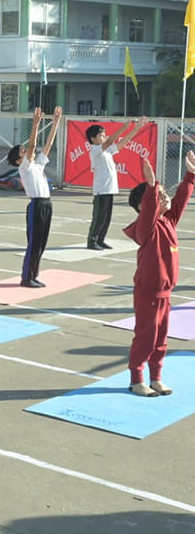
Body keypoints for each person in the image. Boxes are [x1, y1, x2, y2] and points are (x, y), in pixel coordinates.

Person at [123, 153, 195, 397]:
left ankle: (156, 377)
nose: (165, 196)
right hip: (148, 293)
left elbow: (182, 200)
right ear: (145, 204)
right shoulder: (146, 229)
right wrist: (152, 186)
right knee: (146, 336)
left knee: (161, 338)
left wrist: (190, 175)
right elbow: (151, 208)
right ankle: (136, 380)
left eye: (164, 192)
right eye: (160, 194)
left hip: (166, 294)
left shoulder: (169, 222)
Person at [6, 106, 62, 288]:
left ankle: (34, 274)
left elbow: (48, 146)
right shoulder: (24, 167)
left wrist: (56, 122)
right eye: (21, 152)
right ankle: (26, 277)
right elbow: (32, 146)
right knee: (34, 243)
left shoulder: (37, 165)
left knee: (42, 243)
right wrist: (36, 124)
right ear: (17, 160)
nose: (26, 152)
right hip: (36, 205)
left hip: (47, 204)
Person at [86, 116, 147, 249]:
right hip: (101, 189)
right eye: (101, 135)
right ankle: (92, 240)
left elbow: (121, 143)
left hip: (109, 189)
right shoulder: (95, 150)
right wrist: (124, 127)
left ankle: (100, 239)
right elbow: (110, 141)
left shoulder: (107, 152)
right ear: (93, 139)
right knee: (99, 216)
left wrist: (135, 129)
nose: (104, 137)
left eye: (104, 134)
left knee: (107, 217)